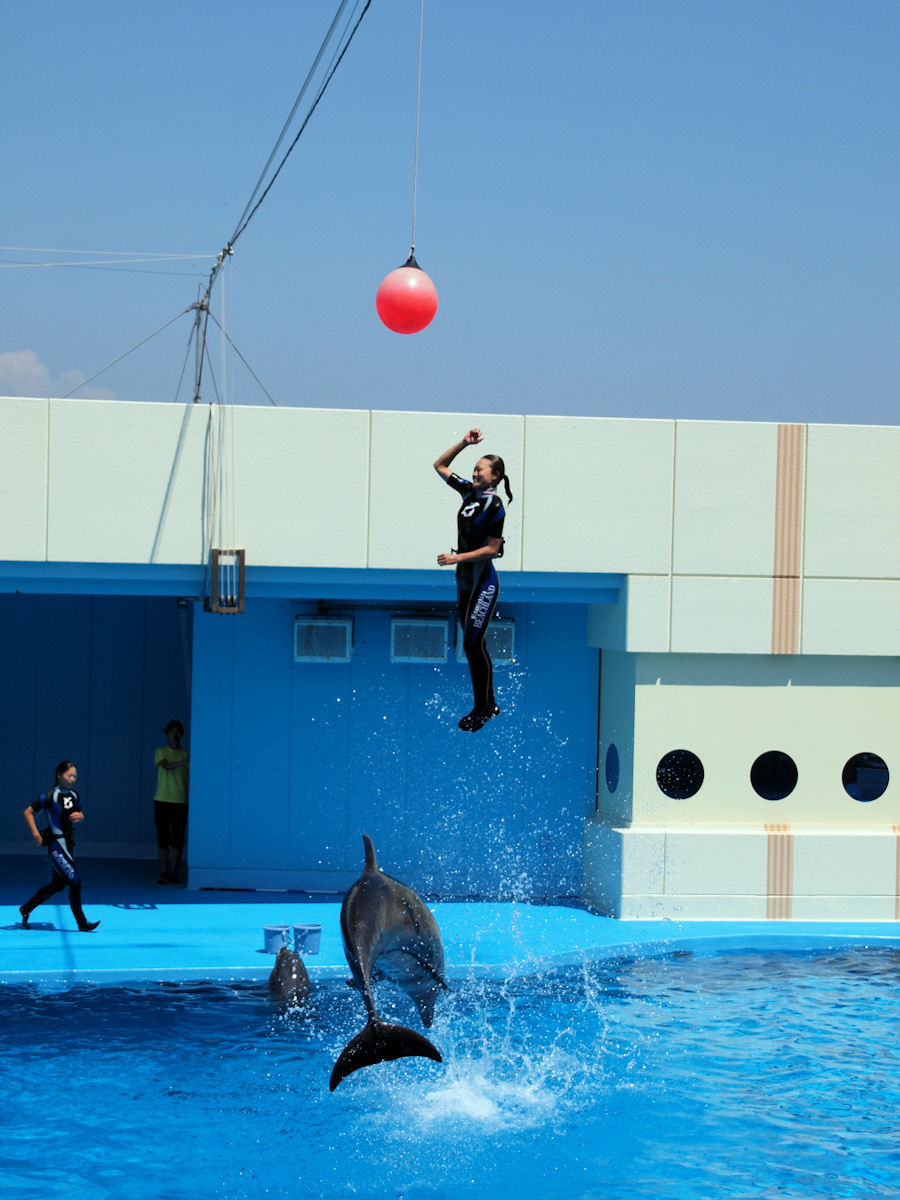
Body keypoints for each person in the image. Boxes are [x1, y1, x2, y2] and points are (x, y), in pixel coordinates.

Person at [433, 428, 513, 731]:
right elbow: (440, 465)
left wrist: (457, 558)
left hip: (483, 582)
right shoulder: (468, 492)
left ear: (495, 476)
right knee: (471, 645)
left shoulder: (495, 505)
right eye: (474, 468)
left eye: (481, 469)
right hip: (465, 582)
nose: (475, 473)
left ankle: (484, 707)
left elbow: (493, 549)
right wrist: (464, 444)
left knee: (472, 641)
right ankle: (487, 704)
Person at [20, 761, 100, 932]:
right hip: (57, 845)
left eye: (74, 776)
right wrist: (35, 834)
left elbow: (79, 812)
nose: (72, 779)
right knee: (75, 883)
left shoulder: (74, 795)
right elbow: (28, 812)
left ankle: (26, 908)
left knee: (57, 884)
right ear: (58, 775)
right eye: (69, 775)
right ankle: (82, 923)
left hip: (69, 844)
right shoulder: (49, 796)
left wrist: (80, 816)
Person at [153, 719, 189, 885]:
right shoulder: (161, 752)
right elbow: (166, 766)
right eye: (172, 731)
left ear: (181, 734)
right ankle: (164, 872)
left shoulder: (186, 753)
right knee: (163, 838)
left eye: (178, 731)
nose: (175, 734)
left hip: (180, 800)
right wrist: (185, 761)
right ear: (167, 734)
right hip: (162, 800)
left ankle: (173, 872)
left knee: (177, 839)